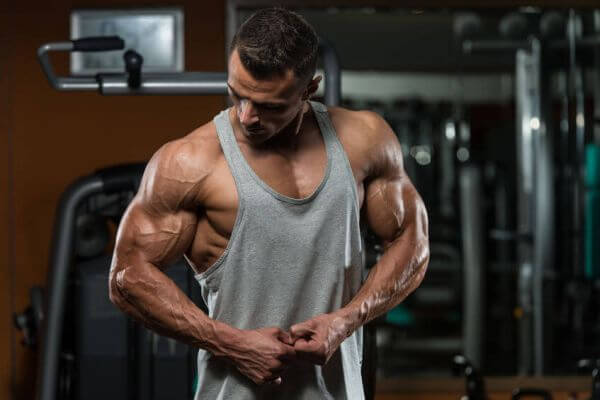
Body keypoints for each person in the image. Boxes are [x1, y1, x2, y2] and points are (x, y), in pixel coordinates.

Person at [108, 7, 429, 400]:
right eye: (237, 94)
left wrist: (346, 321)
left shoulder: (364, 139)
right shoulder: (190, 161)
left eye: (270, 106)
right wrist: (231, 344)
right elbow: (127, 276)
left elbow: (411, 241)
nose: (247, 116)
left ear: (309, 90)